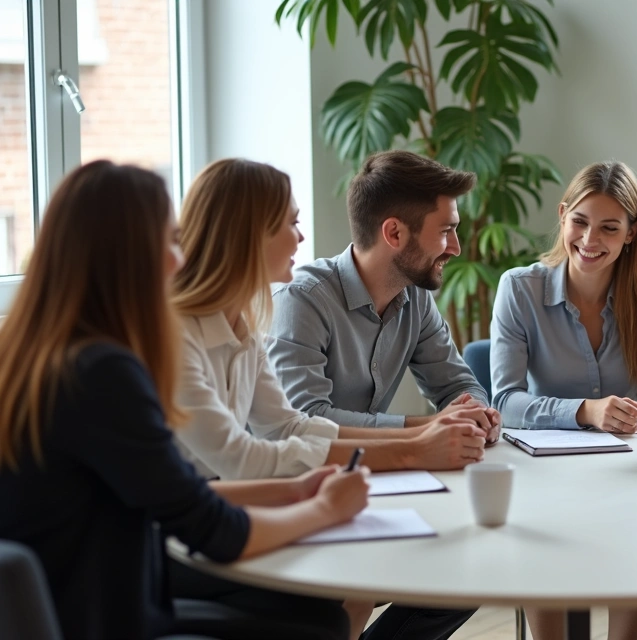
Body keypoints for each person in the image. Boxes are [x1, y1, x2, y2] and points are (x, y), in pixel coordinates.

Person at [0, 160, 371, 640]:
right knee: (316, 625)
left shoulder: (40, 354)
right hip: (103, 617)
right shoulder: (104, 373)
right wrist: (325, 510)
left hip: (70, 600)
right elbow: (210, 529)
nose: (180, 260)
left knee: (318, 618)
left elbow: (174, 496)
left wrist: (295, 490)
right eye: (170, 241)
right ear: (127, 256)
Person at [170, 158, 477, 639]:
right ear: (247, 234)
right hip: (171, 533)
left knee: (455, 568)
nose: (301, 237)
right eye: (290, 223)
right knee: (334, 602)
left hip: (233, 505)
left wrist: (450, 425)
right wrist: (412, 445)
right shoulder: (175, 332)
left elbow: (289, 426)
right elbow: (240, 457)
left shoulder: (245, 322)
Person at [490, 161, 637, 638]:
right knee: (543, 534)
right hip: (545, 471)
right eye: (580, 221)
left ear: (631, 234)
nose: (590, 239)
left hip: (628, 462)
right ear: (562, 217)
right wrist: (586, 411)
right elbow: (506, 400)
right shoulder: (520, 288)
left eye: (609, 228)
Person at [267, 151, 500, 462]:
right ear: (394, 233)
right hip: (292, 484)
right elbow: (306, 421)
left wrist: (477, 414)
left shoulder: (415, 296)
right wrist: (427, 427)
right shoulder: (301, 301)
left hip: (368, 476)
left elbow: (457, 384)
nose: (456, 248)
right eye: (446, 231)